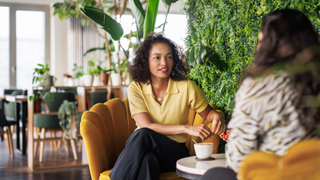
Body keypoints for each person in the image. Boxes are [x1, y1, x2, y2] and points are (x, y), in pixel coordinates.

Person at [199, 9, 320, 180]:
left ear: (267, 45)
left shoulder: (258, 86)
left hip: (273, 174)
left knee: (214, 175)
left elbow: (237, 160)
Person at [108, 33, 226, 180]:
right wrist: (187, 128)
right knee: (148, 160)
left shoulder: (186, 86)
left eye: (169, 57)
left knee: (142, 134)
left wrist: (217, 117)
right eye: (157, 57)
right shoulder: (136, 88)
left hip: (174, 153)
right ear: (146, 61)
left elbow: (208, 113)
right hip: (143, 147)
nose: (164, 63)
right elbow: (147, 125)